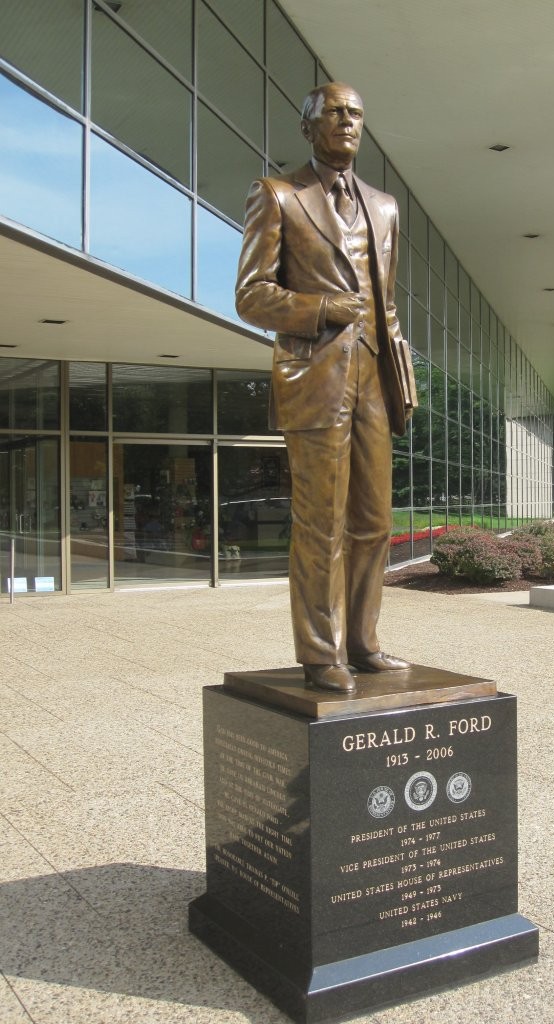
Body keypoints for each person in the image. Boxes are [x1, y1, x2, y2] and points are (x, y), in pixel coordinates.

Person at [235, 82, 416, 693]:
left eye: (356, 113)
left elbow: (385, 304)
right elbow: (251, 295)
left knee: (374, 522)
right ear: (308, 126)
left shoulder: (385, 207)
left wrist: (400, 379)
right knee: (321, 524)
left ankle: (363, 642)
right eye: (335, 112)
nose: (348, 121)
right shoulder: (279, 196)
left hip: (372, 380)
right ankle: (320, 653)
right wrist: (320, 308)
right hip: (314, 378)